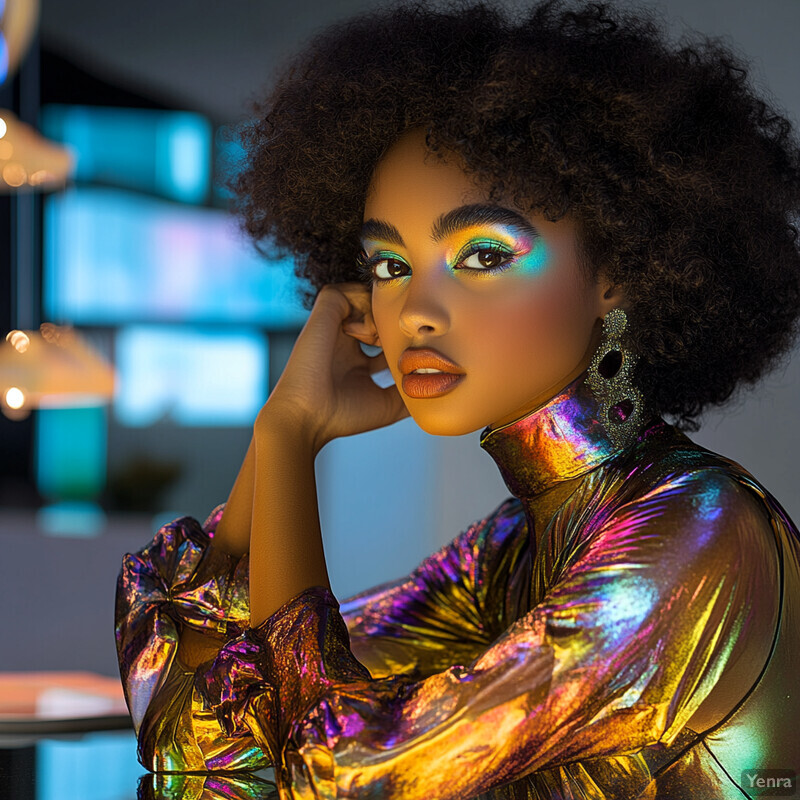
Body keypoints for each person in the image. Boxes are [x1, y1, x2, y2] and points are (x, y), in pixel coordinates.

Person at [115, 1, 800, 797]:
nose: (415, 313)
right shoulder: (509, 549)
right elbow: (202, 750)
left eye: (480, 253)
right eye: (389, 265)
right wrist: (276, 441)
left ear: (617, 271)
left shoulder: (694, 540)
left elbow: (334, 772)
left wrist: (292, 438)